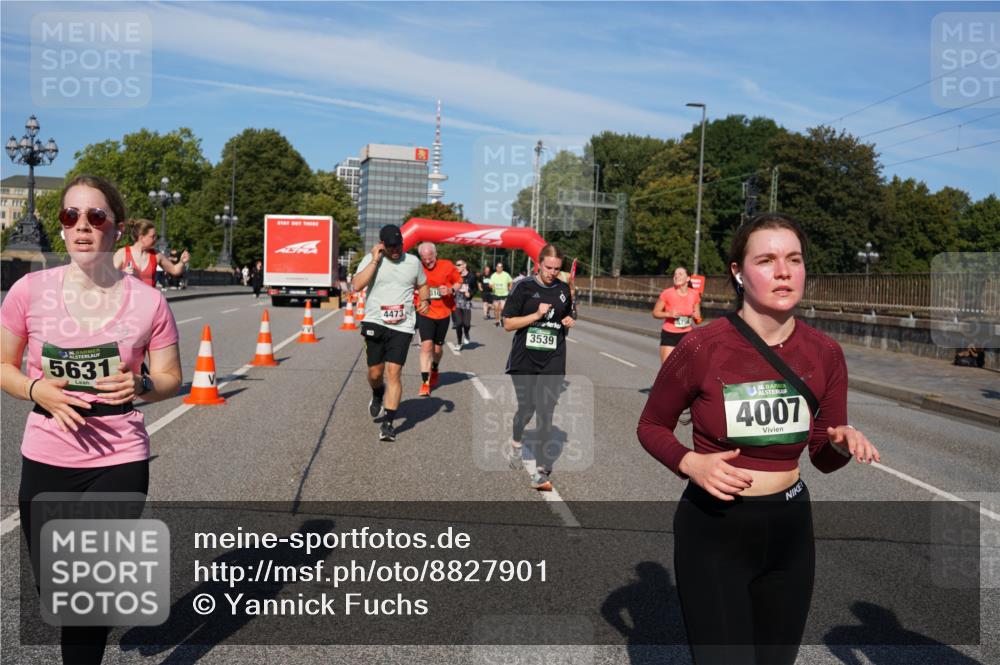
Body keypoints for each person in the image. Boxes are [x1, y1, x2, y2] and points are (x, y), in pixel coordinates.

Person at [637, 213, 881, 665]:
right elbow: (650, 425)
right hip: (714, 528)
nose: (784, 271)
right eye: (766, 260)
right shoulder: (701, 346)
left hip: (790, 531)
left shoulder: (825, 353)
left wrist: (840, 444)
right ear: (738, 273)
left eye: (794, 259)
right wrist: (691, 463)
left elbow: (822, 458)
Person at [1, 175, 183, 665]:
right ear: (61, 228)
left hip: (119, 456)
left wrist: (142, 384)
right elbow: (3, 366)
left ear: (116, 230)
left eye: (95, 217)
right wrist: (36, 388)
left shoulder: (149, 302)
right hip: (47, 453)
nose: (82, 226)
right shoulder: (28, 291)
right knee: (57, 588)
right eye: (70, 216)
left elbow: (172, 378)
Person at [502, 245, 577, 491]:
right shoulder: (523, 287)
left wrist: (569, 320)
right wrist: (535, 315)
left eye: (557, 269)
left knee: (546, 410)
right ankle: (515, 444)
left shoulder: (563, 289)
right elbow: (508, 324)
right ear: (539, 263)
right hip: (525, 359)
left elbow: (570, 314)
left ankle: (542, 469)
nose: (552, 273)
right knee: (527, 408)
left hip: (553, 359)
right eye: (548, 267)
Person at [352, 224, 429, 442]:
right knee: (375, 373)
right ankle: (377, 393)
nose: (396, 250)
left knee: (394, 372)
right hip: (375, 321)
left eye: (399, 245)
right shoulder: (372, 259)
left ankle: (388, 424)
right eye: (391, 246)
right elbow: (356, 285)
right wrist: (375, 260)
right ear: (382, 245)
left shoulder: (413, 262)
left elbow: (422, 284)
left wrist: (424, 301)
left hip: (402, 325)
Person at [415, 242, 463, 396]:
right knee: (426, 346)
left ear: (435, 255)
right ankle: (425, 383)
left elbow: (459, 282)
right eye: (424, 259)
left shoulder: (447, 266)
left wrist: (450, 289)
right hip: (426, 312)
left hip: (443, 313)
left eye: (430, 258)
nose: (427, 262)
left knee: (437, 349)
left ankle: (434, 368)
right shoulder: (417, 267)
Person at [113, 218, 189, 289]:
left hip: (150, 302)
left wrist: (182, 262)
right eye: (152, 236)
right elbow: (107, 277)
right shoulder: (122, 253)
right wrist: (122, 273)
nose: (155, 239)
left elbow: (175, 270)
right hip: (128, 302)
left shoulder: (156, 255)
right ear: (141, 238)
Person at [653, 266, 702, 363]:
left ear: (688, 278)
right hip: (670, 334)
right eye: (675, 274)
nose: (676, 276)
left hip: (687, 334)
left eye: (680, 274)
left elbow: (698, 320)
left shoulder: (694, 294)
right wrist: (668, 314)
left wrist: (697, 317)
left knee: (686, 367)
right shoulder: (667, 293)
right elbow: (655, 313)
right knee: (667, 368)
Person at [451, 259, 478, 347]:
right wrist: (452, 291)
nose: (456, 266)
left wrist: (470, 293)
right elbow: (450, 285)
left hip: (466, 303)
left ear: (464, 265)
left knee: (466, 324)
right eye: (456, 265)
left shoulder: (471, 277)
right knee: (458, 324)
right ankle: (459, 343)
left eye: (459, 265)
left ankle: (466, 333)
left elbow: (475, 288)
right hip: (456, 303)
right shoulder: (454, 276)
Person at [489, 261, 514, 326]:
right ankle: (497, 320)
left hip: (504, 294)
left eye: (501, 267)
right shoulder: (493, 275)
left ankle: (501, 319)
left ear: (502, 268)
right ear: (496, 268)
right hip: (496, 294)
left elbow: (511, 281)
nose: (499, 268)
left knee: (502, 308)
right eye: (498, 267)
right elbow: (490, 284)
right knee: (496, 308)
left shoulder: (506, 274)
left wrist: (510, 287)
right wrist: (491, 286)